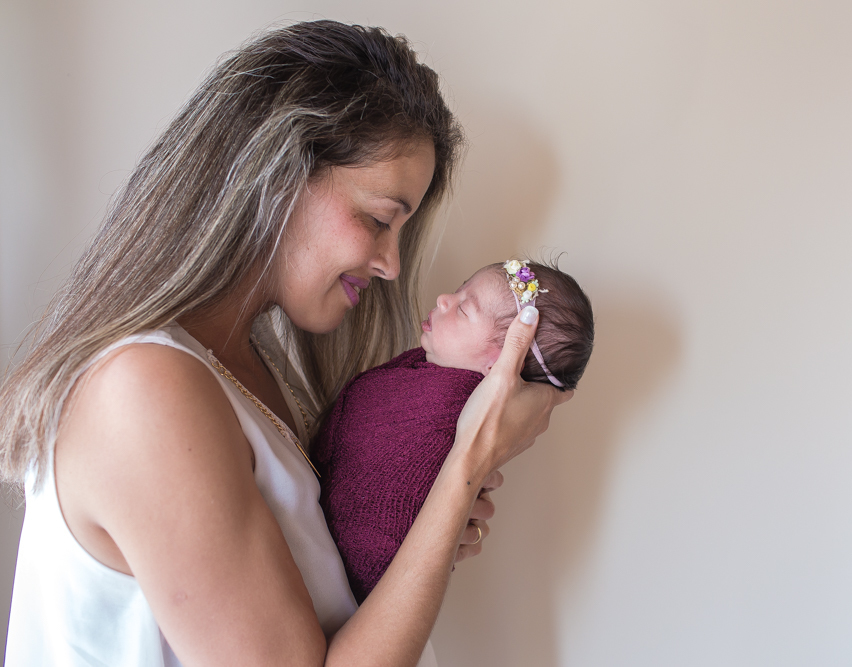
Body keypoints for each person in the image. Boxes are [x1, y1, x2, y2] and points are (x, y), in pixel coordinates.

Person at [0, 21, 571, 667]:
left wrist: (422, 518)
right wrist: (470, 457)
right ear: (276, 177)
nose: (390, 264)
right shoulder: (144, 390)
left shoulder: (248, 373)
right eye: (380, 219)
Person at [316, 259, 594, 603]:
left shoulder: (450, 406)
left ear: (500, 364)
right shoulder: (427, 375)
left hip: (362, 574)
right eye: (460, 288)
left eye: (464, 308)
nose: (445, 299)